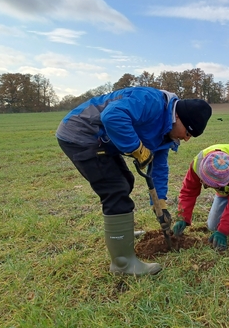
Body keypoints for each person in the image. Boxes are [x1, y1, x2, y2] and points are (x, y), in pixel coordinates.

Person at [56, 86, 212, 276]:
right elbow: (112, 116)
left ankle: (123, 237)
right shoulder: (150, 101)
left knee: (126, 181)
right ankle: (122, 264)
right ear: (177, 117)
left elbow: (159, 168)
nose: (186, 139)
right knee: (116, 190)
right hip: (82, 133)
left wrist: (159, 203)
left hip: (103, 140)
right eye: (188, 133)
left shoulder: (167, 133)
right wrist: (136, 149)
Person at [172, 144, 229, 251]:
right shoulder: (197, 164)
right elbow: (188, 192)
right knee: (213, 226)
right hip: (227, 191)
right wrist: (182, 217)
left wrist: (223, 232)